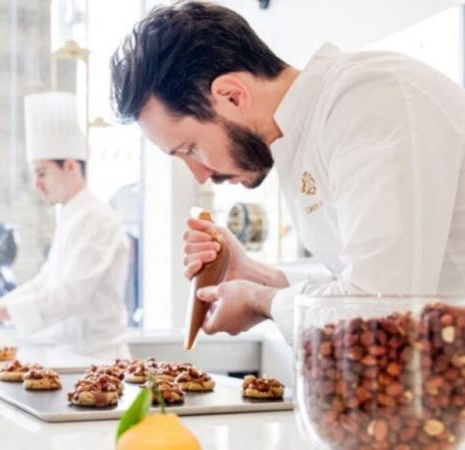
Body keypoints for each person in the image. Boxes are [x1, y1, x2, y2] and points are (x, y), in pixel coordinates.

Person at [109, 1, 465, 343]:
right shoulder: (302, 137)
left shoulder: (366, 101)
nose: (200, 175)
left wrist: (258, 300)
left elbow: (378, 315)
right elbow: (348, 284)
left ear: (231, 95)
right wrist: (253, 273)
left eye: (190, 149)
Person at [0, 91, 131, 359]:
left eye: (42, 173)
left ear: (71, 167)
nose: (36, 184)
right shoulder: (70, 217)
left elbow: (69, 294)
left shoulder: (99, 220)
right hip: (68, 357)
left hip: (99, 360)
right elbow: (45, 282)